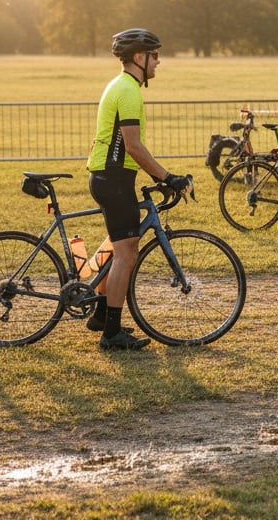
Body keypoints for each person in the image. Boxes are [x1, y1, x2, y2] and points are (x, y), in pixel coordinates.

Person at [85, 28, 193, 350]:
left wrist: (159, 176)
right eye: (154, 55)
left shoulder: (121, 84)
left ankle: (101, 315)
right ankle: (111, 334)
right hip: (114, 178)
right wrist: (168, 177)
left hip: (110, 177)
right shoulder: (128, 90)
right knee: (127, 253)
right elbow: (132, 146)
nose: (158, 61)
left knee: (119, 245)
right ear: (138, 57)